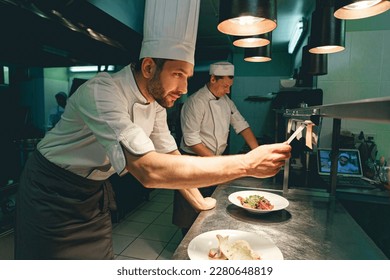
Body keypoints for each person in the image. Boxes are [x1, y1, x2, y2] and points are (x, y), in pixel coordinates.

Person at [15, 0, 291, 260]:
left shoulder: (156, 105)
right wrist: (246, 164)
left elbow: (171, 153)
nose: (184, 89)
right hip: (50, 190)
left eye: (188, 77)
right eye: (178, 74)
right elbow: (148, 170)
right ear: (149, 66)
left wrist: (201, 201)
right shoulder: (102, 91)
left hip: (91, 192)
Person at [173, 61, 260, 235]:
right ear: (213, 79)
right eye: (225, 85)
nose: (228, 90)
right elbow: (192, 141)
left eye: (230, 86)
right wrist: (220, 164)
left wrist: (258, 153)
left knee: (211, 204)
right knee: (190, 209)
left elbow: (241, 125)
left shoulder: (226, 101)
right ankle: (185, 249)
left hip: (213, 158)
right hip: (193, 160)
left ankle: (206, 240)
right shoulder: (195, 102)